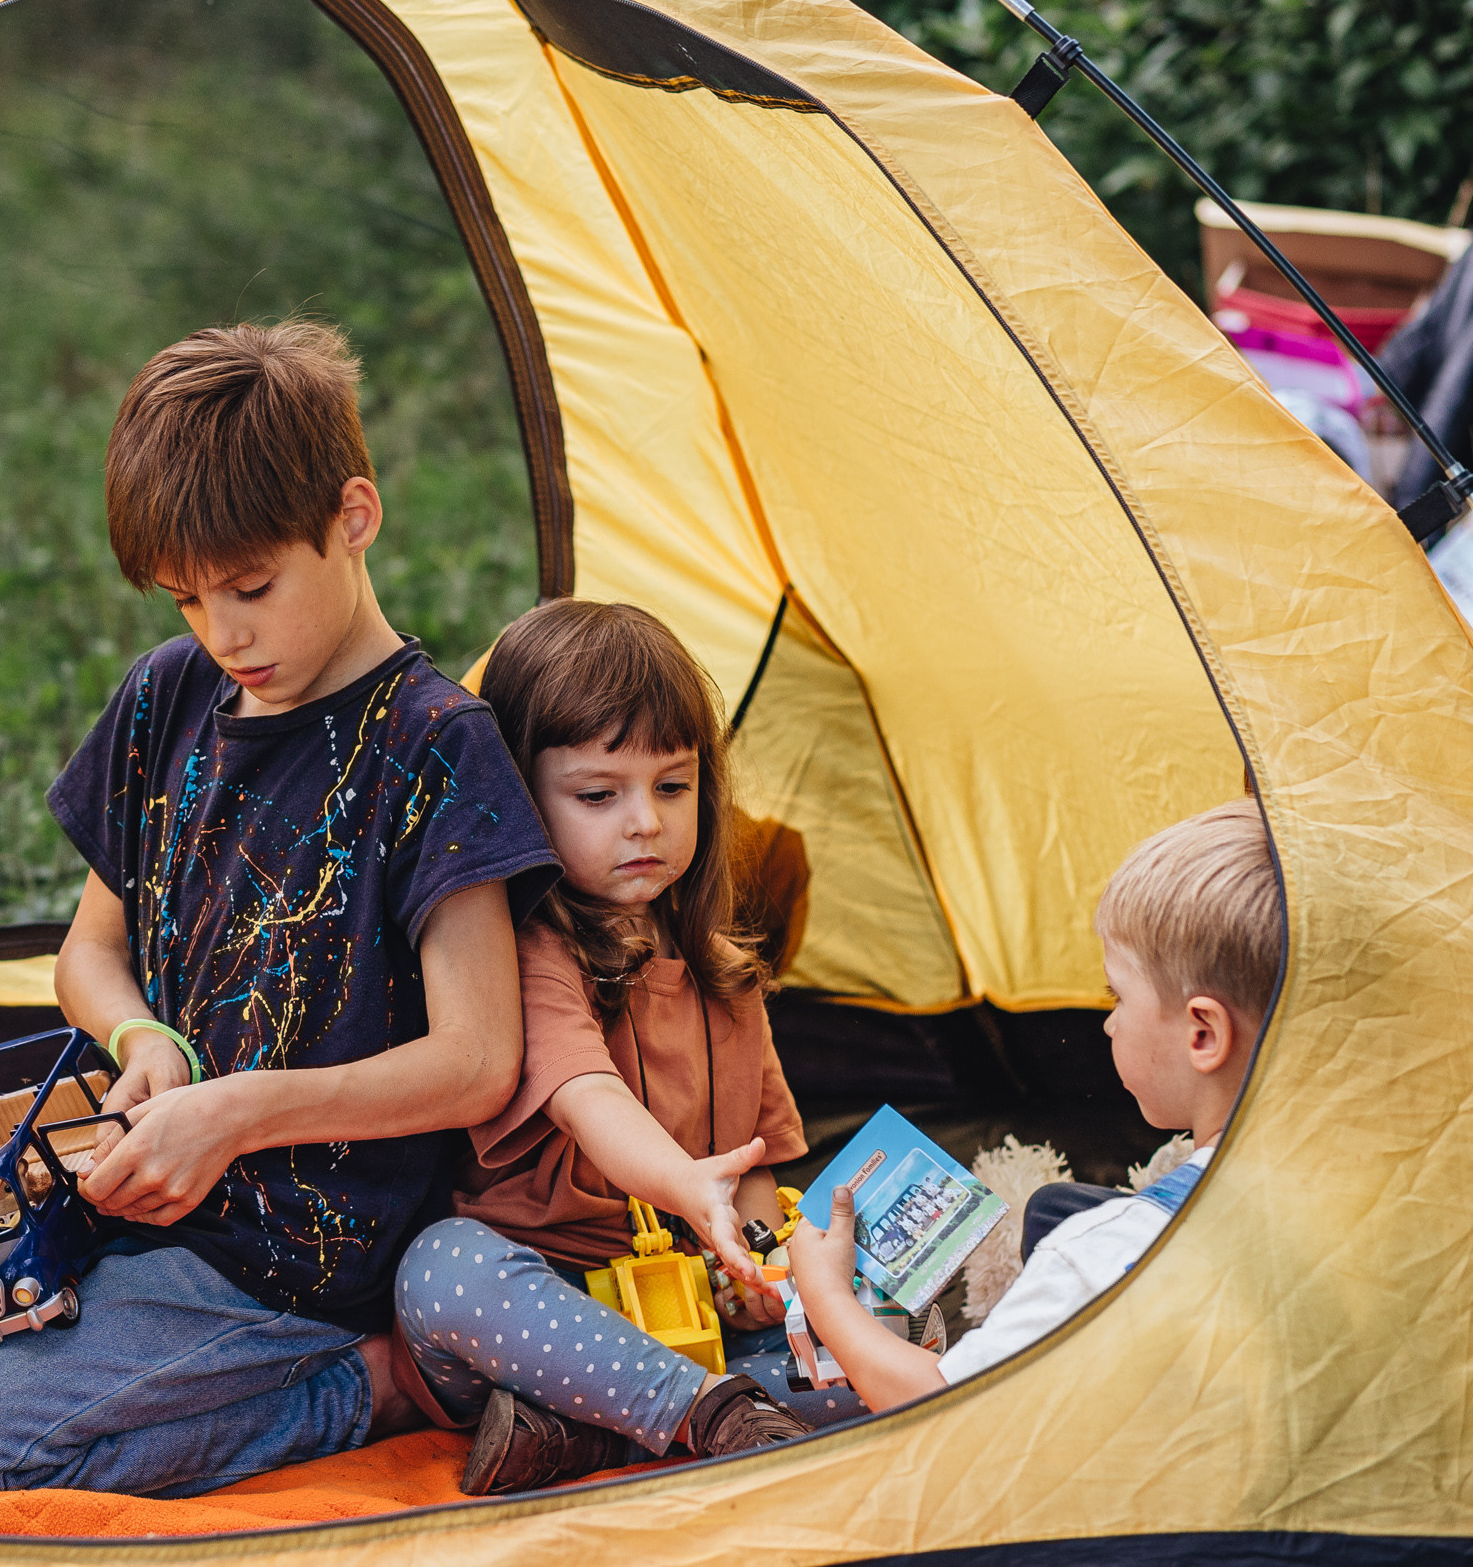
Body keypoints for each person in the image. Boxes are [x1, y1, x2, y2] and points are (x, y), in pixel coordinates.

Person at [0, 320, 559, 1496]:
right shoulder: (167, 698)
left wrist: (239, 1114)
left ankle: (363, 1383)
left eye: (251, 588)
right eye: (185, 599)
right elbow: (88, 951)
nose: (223, 632)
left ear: (354, 517)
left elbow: (477, 1059)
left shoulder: (432, 745)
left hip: (286, 1264)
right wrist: (140, 1035)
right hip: (123, 1203)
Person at [389, 599, 834, 1496]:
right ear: (521, 797)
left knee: (857, 1319)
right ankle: (704, 1414)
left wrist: (754, 1258)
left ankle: (592, 1435)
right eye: (599, 795)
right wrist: (692, 1190)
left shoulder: (727, 977)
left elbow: (755, 1163)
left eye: (673, 787)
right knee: (442, 1267)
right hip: (538, 1313)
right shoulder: (529, 953)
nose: (646, 822)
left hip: (685, 1308)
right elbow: (590, 1095)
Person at [788, 800, 1280, 1410]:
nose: (1108, 1024)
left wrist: (827, 1294)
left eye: (1116, 997)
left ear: (1202, 1034)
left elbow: (944, 1407)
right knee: (1053, 1208)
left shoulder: (1104, 1256)